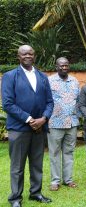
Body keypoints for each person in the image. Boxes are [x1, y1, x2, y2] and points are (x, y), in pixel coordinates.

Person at [1, 45, 54, 206]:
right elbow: (8, 104)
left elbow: (50, 102)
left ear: (34, 56)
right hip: (19, 129)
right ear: (18, 56)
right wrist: (30, 119)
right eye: (24, 54)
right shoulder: (10, 76)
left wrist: (43, 119)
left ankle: (35, 193)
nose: (27, 56)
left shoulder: (42, 76)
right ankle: (15, 198)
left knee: (37, 163)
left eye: (30, 53)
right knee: (17, 166)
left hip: (40, 128)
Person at [48, 57, 80, 191]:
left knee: (69, 152)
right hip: (55, 122)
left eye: (66, 65)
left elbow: (78, 100)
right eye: (61, 65)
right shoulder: (49, 81)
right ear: (56, 67)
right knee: (54, 152)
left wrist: (78, 117)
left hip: (71, 123)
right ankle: (55, 181)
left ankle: (68, 179)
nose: (64, 68)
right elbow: (45, 100)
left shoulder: (74, 81)